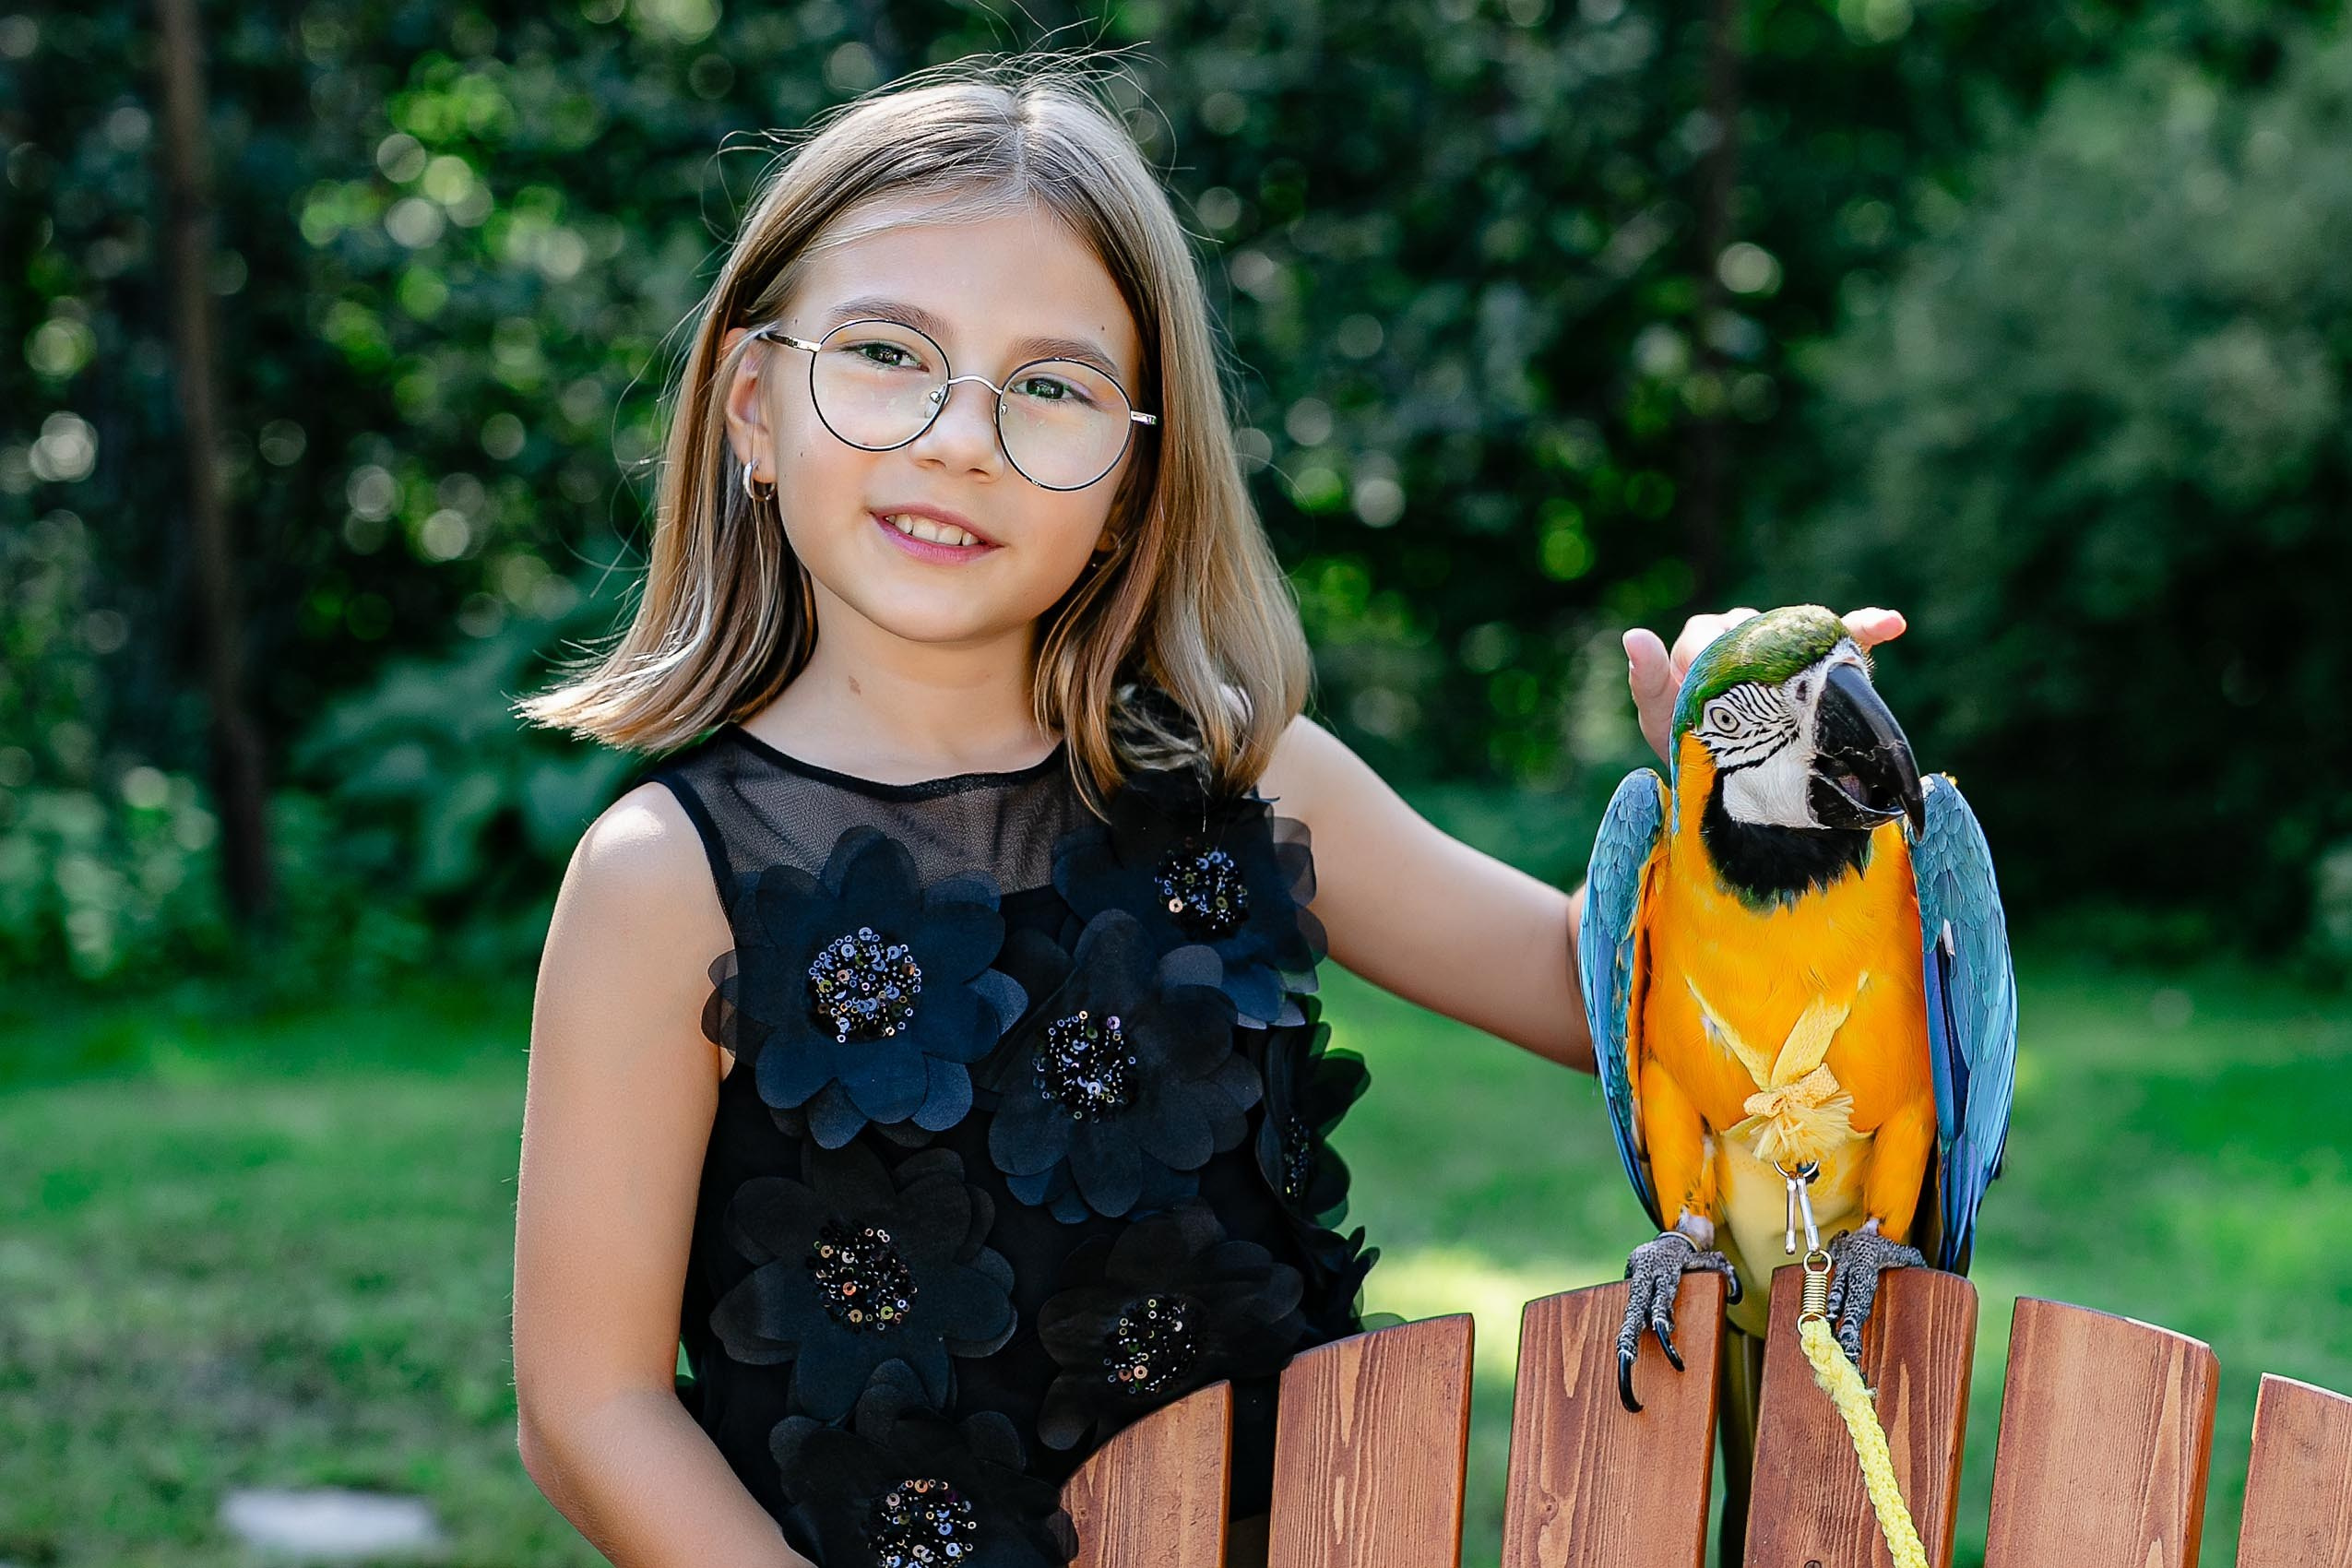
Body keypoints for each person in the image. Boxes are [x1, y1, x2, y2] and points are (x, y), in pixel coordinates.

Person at [507, 56, 1906, 1568]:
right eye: (887, 354)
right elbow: (590, 1407)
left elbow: (1622, 1005)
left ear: (1134, 475)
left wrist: (1745, 785)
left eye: (1051, 386)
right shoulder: (667, 880)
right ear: (751, 410)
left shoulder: (1250, 782)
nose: (962, 435)